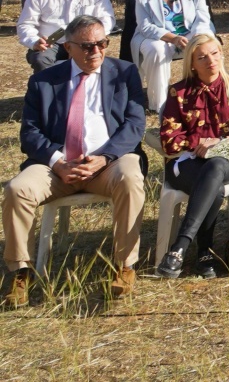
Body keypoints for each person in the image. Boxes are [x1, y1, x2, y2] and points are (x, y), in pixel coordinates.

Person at [3, 15, 146, 305]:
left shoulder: (124, 72)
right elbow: (29, 134)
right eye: (87, 46)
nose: (96, 51)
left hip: (107, 164)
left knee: (131, 177)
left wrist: (104, 157)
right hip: (57, 167)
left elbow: (134, 124)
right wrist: (57, 162)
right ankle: (19, 271)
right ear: (68, 48)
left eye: (102, 44)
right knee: (17, 190)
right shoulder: (44, 81)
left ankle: (125, 266)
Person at [153, 35, 229, 278]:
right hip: (187, 162)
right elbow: (169, 139)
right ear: (191, 63)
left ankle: (179, 247)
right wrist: (198, 142)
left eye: (214, 53)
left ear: (222, 54)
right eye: (201, 57)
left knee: (217, 164)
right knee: (215, 187)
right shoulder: (178, 92)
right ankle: (204, 251)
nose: (210, 60)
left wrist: (219, 142)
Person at [132, 0, 213, 110]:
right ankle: (160, 103)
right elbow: (145, 27)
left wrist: (195, 37)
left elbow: (203, 17)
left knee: (204, 45)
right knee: (156, 49)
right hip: (160, 38)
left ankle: (207, 93)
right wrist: (173, 38)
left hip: (191, 33)